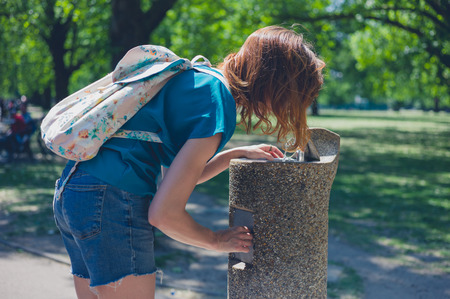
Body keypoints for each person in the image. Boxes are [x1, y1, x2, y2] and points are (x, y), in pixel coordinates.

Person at [52, 25, 325, 299]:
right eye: (292, 97)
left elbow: (178, 178)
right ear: (275, 83)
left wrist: (232, 155)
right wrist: (216, 240)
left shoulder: (199, 80)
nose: (286, 108)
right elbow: (164, 213)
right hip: (111, 201)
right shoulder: (216, 103)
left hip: (75, 191)